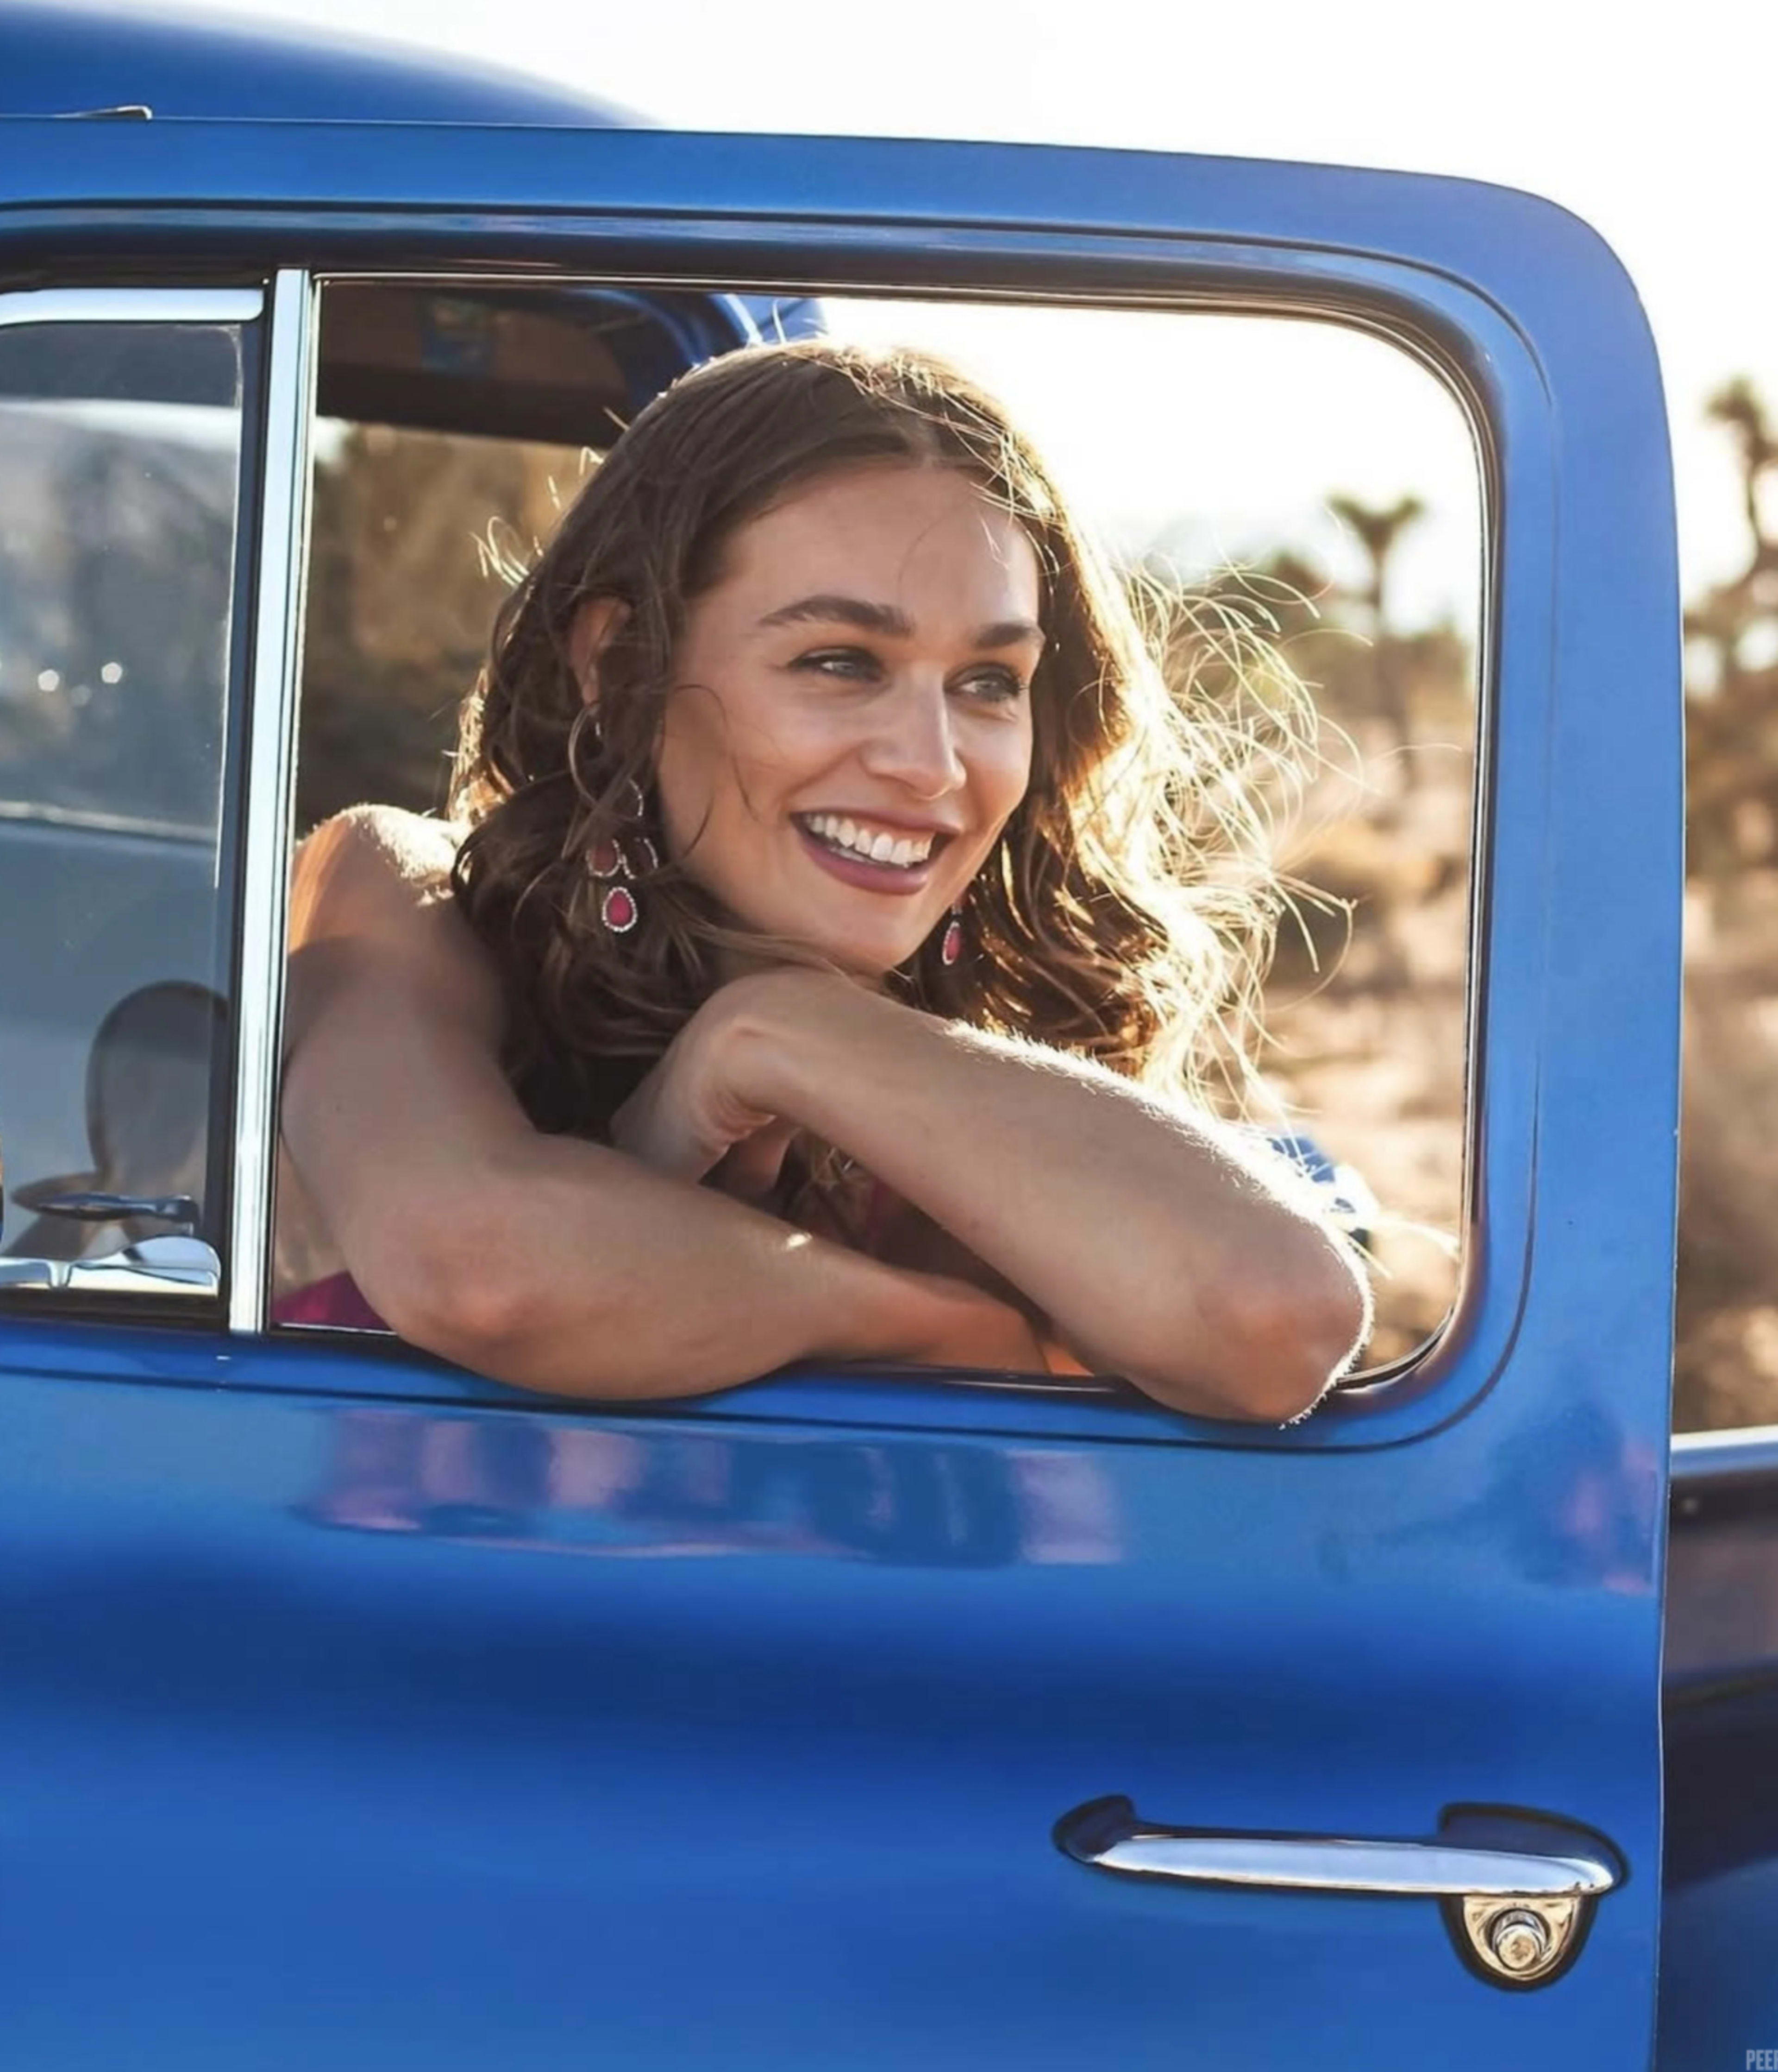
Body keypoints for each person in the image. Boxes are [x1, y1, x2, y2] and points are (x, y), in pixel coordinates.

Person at [273, 340, 1370, 1420]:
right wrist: (942, 1331)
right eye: (841, 662)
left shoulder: (999, 1069)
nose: (933, 764)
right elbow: (481, 1270)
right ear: (619, 666)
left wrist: (783, 1032)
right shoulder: (406, 900)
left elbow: (1282, 1319)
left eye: (989, 682)